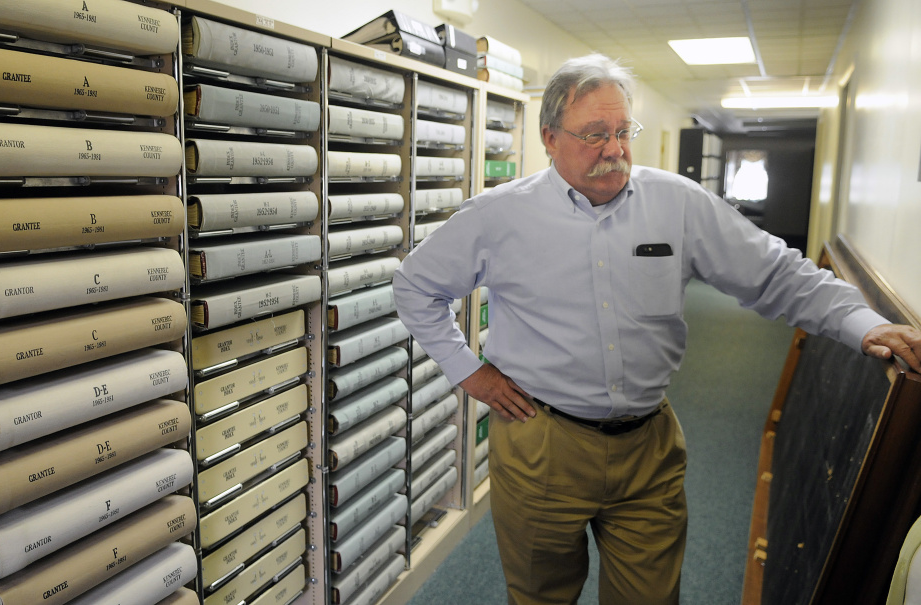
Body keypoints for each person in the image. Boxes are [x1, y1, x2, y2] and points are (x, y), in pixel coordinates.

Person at [391, 53, 921, 605]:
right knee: (540, 594)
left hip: (649, 448)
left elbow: (776, 274)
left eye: (623, 131)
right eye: (594, 134)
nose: (614, 149)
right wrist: (470, 374)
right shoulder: (498, 215)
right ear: (550, 138)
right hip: (541, 443)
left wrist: (864, 324)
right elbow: (414, 287)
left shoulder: (678, 203)